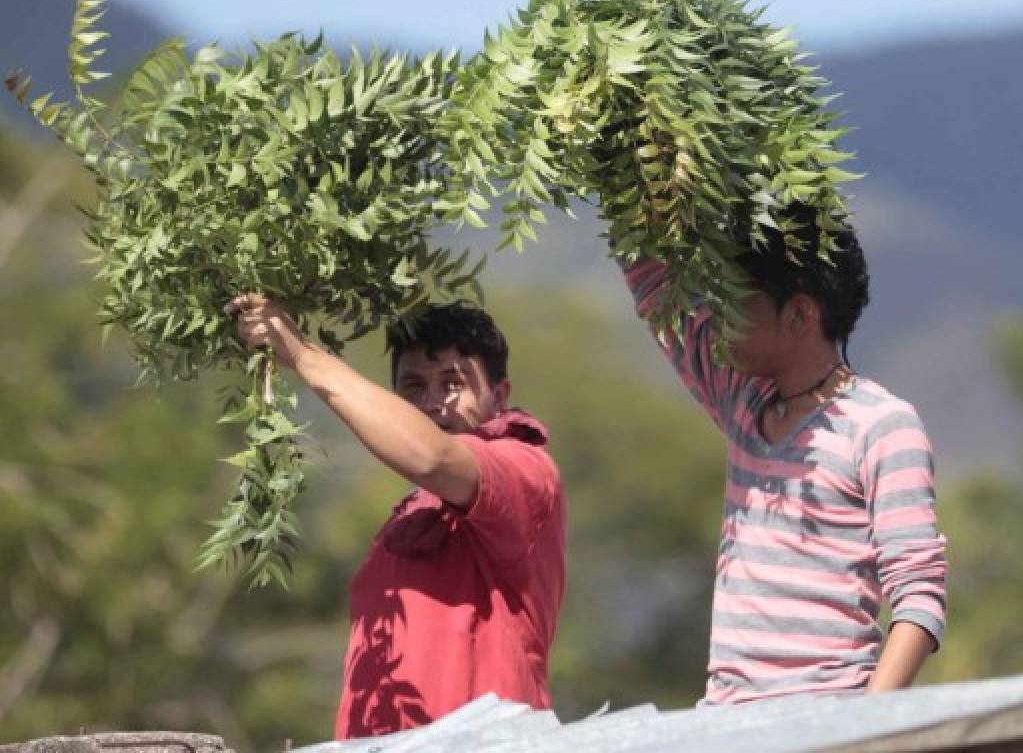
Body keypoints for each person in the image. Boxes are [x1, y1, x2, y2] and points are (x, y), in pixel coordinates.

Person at [618, 204, 947, 703]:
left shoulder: (882, 427)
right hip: (726, 725)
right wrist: (626, 163)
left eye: (736, 301)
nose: (719, 316)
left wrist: (869, 726)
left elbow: (919, 599)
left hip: (825, 722)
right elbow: (655, 286)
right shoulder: (743, 401)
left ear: (798, 314)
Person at [225, 296, 566, 737]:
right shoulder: (409, 515)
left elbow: (430, 456)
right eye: (413, 389)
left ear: (498, 397)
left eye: (453, 383)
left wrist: (300, 353)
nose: (433, 404)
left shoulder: (523, 467)